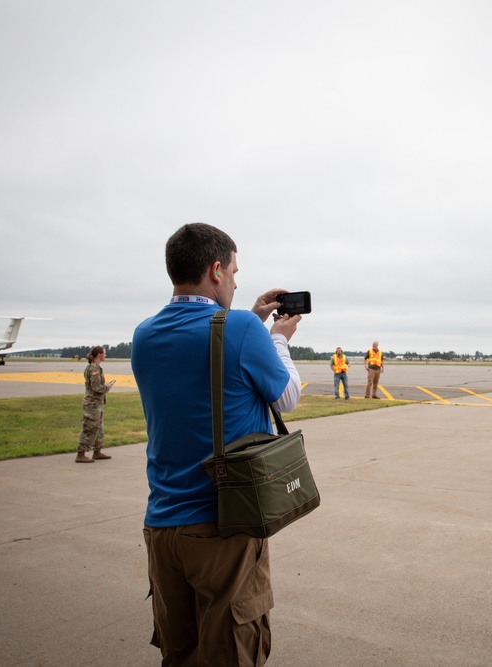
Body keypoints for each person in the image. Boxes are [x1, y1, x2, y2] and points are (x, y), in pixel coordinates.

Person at [132, 222, 303, 666]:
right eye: (233, 270)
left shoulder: (144, 335)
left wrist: (250, 318)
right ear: (215, 269)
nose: (235, 278)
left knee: (180, 653)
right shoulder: (243, 329)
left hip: (162, 527)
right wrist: (278, 339)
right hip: (222, 524)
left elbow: (206, 355)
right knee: (232, 654)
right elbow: (288, 396)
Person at [75, 346, 115, 463]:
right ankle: (81, 453)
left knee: (99, 428)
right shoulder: (93, 369)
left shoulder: (97, 368)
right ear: (99, 354)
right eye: (104, 353)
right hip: (92, 404)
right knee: (89, 427)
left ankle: (97, 451)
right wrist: (108, 386)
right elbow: (96, 387)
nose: (105, 355)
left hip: (98, 403)